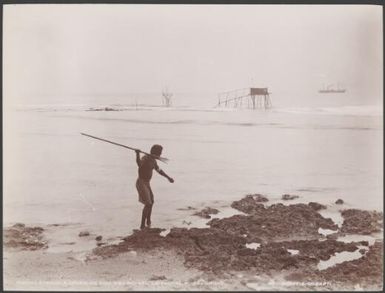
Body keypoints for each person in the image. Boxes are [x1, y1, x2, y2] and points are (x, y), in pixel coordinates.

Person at [135, 145, 174, 230]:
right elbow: (139, 164)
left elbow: (159, 170)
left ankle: (148, 222)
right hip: (141, 182)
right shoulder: (145, 158)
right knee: (148, 203)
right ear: (155, 153)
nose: (160, 155)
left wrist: (168, 177)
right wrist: (137, 154)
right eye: (159, 153)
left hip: (147, 183)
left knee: (151, 202)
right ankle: (142, 225)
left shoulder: (153, 161)